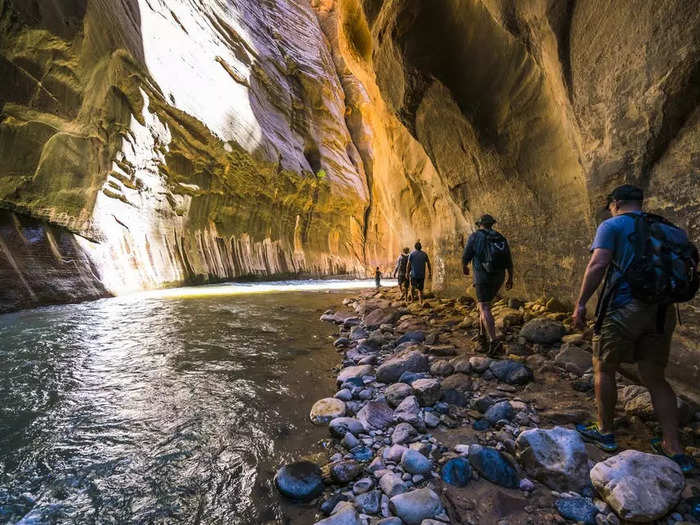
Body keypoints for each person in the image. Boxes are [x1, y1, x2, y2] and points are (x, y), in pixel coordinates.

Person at [573, 184, 696, 473]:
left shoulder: (612, 225)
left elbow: (598, 264)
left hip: (624, 308)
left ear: (615, 203)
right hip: (662, 312)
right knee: (655, 376)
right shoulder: (670, 230)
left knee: (604, 366)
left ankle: (604, 431)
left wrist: (581, 304)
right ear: (641, 202)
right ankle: (672, 446)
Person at [462, 214, 513, 356]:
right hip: (499, 276)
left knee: (484, 307)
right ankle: (482, 335)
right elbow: (509, 260)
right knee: (484, 305)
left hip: (483, 275)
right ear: (491, 224)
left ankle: (494, 341)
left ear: (480, 224)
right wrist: (510, 278)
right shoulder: (500, 237)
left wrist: (464, 267)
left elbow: (466, 256)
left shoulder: (475, 236)